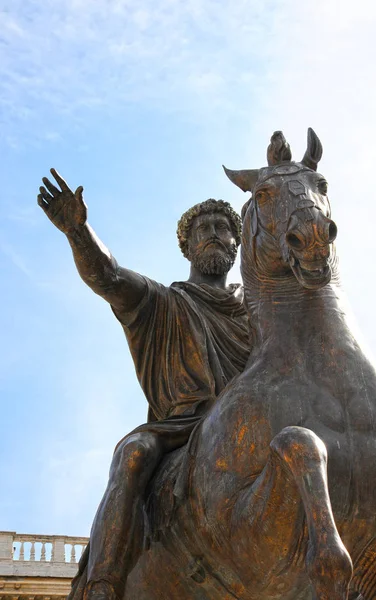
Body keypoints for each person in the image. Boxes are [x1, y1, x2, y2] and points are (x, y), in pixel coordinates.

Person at [37, 169, 251, 600]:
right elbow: (109, 277)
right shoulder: (162, 302)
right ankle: (103, 581)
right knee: (133, 454)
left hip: (253, 423)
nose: (213, 233)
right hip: (180, 430)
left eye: (222, 228)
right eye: (203, 229)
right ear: (187, 246)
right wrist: (78, 232)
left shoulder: (260, 312)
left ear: (236, 244)